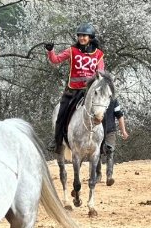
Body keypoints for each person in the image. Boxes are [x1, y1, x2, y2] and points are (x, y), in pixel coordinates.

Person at [47, 23, 105, 154]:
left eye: (84, 36)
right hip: (72, 91)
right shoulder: (72, 51)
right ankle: (57, 141)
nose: (81, 38)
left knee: (101, 114)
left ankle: (103, 143)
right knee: (61, 114)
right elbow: (55, 60)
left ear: (90, 37)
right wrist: (50, 51)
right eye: (79, 36)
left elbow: (100, 72)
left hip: (89, 92)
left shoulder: (98, 54)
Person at [98, 98, 129, 186]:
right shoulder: (96, 98)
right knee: (96, 153)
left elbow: (119, 115)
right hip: (96, 131)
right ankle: (97, 175)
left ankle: (109, 177)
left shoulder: (113, 100)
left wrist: (123, 131)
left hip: (110, 131)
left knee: (110, 151)